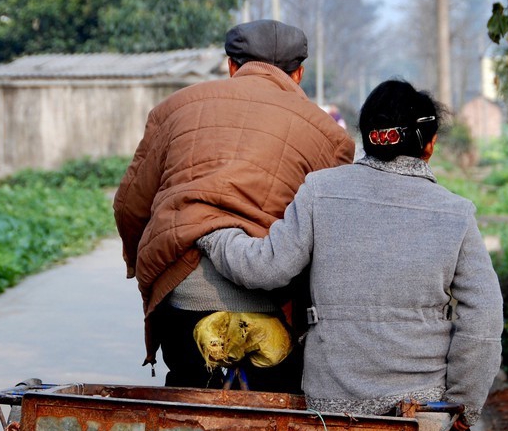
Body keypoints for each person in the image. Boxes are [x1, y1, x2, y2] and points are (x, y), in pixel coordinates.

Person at [198, 79, 508, 431]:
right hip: (421, 412)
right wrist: (460, 405)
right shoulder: (456, 213)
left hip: (333, 400)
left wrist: (214, 235)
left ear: (367, 139)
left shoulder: (321, 191)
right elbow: (484, 323)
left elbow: (268, 267)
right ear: (429, 144)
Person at [113, 19, 355, 392]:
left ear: (231, 66)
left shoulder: (174, 109)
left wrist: (142, 265)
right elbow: (333, 237)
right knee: (274, 408)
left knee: (186, 395)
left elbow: (129, 207)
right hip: (272, 303)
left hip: (184, 295)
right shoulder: (329, 136)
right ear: (299, 74)